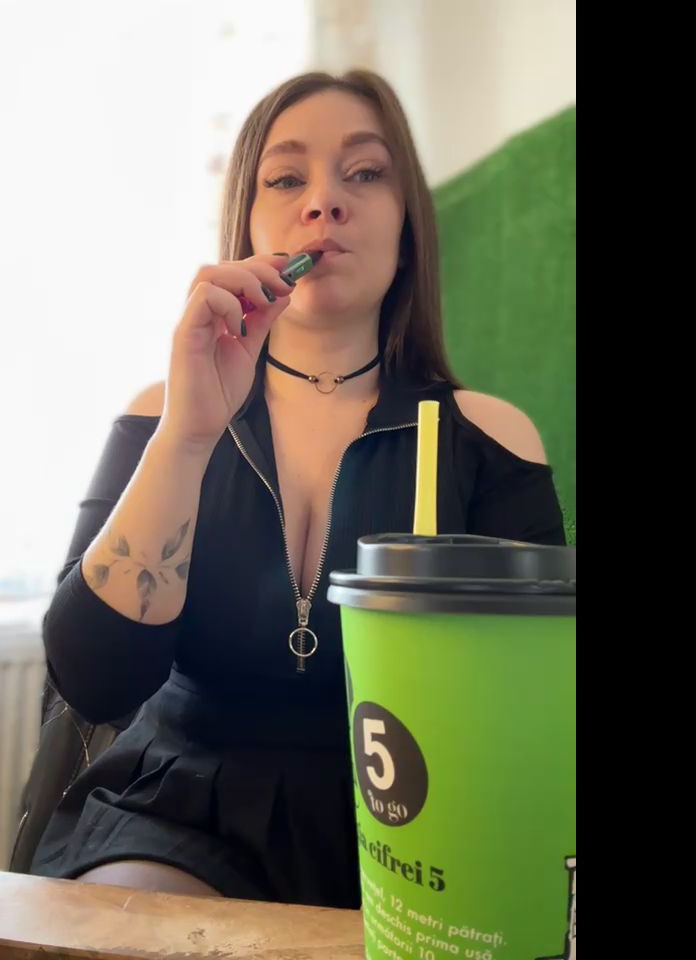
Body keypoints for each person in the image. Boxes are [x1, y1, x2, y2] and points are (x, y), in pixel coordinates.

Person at [29, 69, 565, 908]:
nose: (324, 202)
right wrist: (188, 436)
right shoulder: (160, 417)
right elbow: (94, 682)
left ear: (408, 232)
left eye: (365, 172)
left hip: (413, 823)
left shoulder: (489, 438)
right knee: (134, 929)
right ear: (246, 224)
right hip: (180, 807)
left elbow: (534, 712)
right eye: (285, 179)